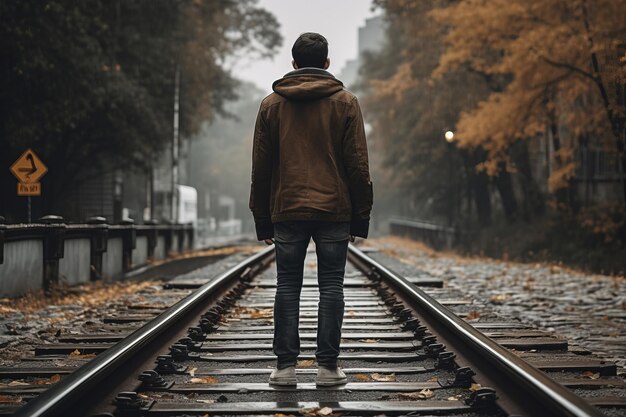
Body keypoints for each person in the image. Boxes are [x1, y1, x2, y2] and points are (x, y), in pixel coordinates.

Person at [249, 32, 373, 386]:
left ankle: (285, 369)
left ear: (293, 64)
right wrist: (360, 216)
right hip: (334, 208)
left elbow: (261, 166)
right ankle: (327, 369)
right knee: (331, 285)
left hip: (286, 208)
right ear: (327, 63)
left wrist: (262, 217)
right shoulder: (346, 102)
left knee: (287, 285)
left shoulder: (271, 105)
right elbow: (358, 165)